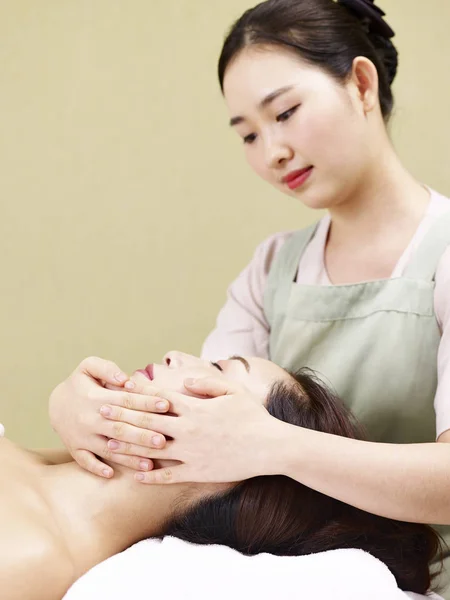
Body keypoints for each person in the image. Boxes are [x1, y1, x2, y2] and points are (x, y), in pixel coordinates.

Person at [49, 0, 450, 596]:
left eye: (285, 112)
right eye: (249, 135)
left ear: (361, 84)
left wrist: (275, 446)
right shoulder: (271, 270)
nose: (272, 152)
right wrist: (77, 408)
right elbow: (197, 423)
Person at [1, 353, 441, 599]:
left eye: (216, 372)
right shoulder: (38, 468)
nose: (177, 355)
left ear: (234, 462)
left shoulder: (28, 557)